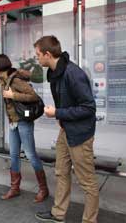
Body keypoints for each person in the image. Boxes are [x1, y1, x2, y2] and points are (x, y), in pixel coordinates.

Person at [33, 36, 99, 223]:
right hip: (66, 131)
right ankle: (58, 214)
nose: (37, 58)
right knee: (61, 172)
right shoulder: (55, 73)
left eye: (38, 55)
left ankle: (89, 220)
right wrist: (60, 117)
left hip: (80, 134)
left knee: (87, 182)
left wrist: (58, 113)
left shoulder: (73, 73)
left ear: (47, 54)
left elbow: (88, 107)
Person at [0, 54, 49, 203]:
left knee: (30, 154)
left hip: (23, 121)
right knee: (14, 155)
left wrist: (13, 95)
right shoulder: (3, 80)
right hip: (13, 123)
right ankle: (14, 188)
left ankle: (43, 189)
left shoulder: (15, 80)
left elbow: (34, 96)